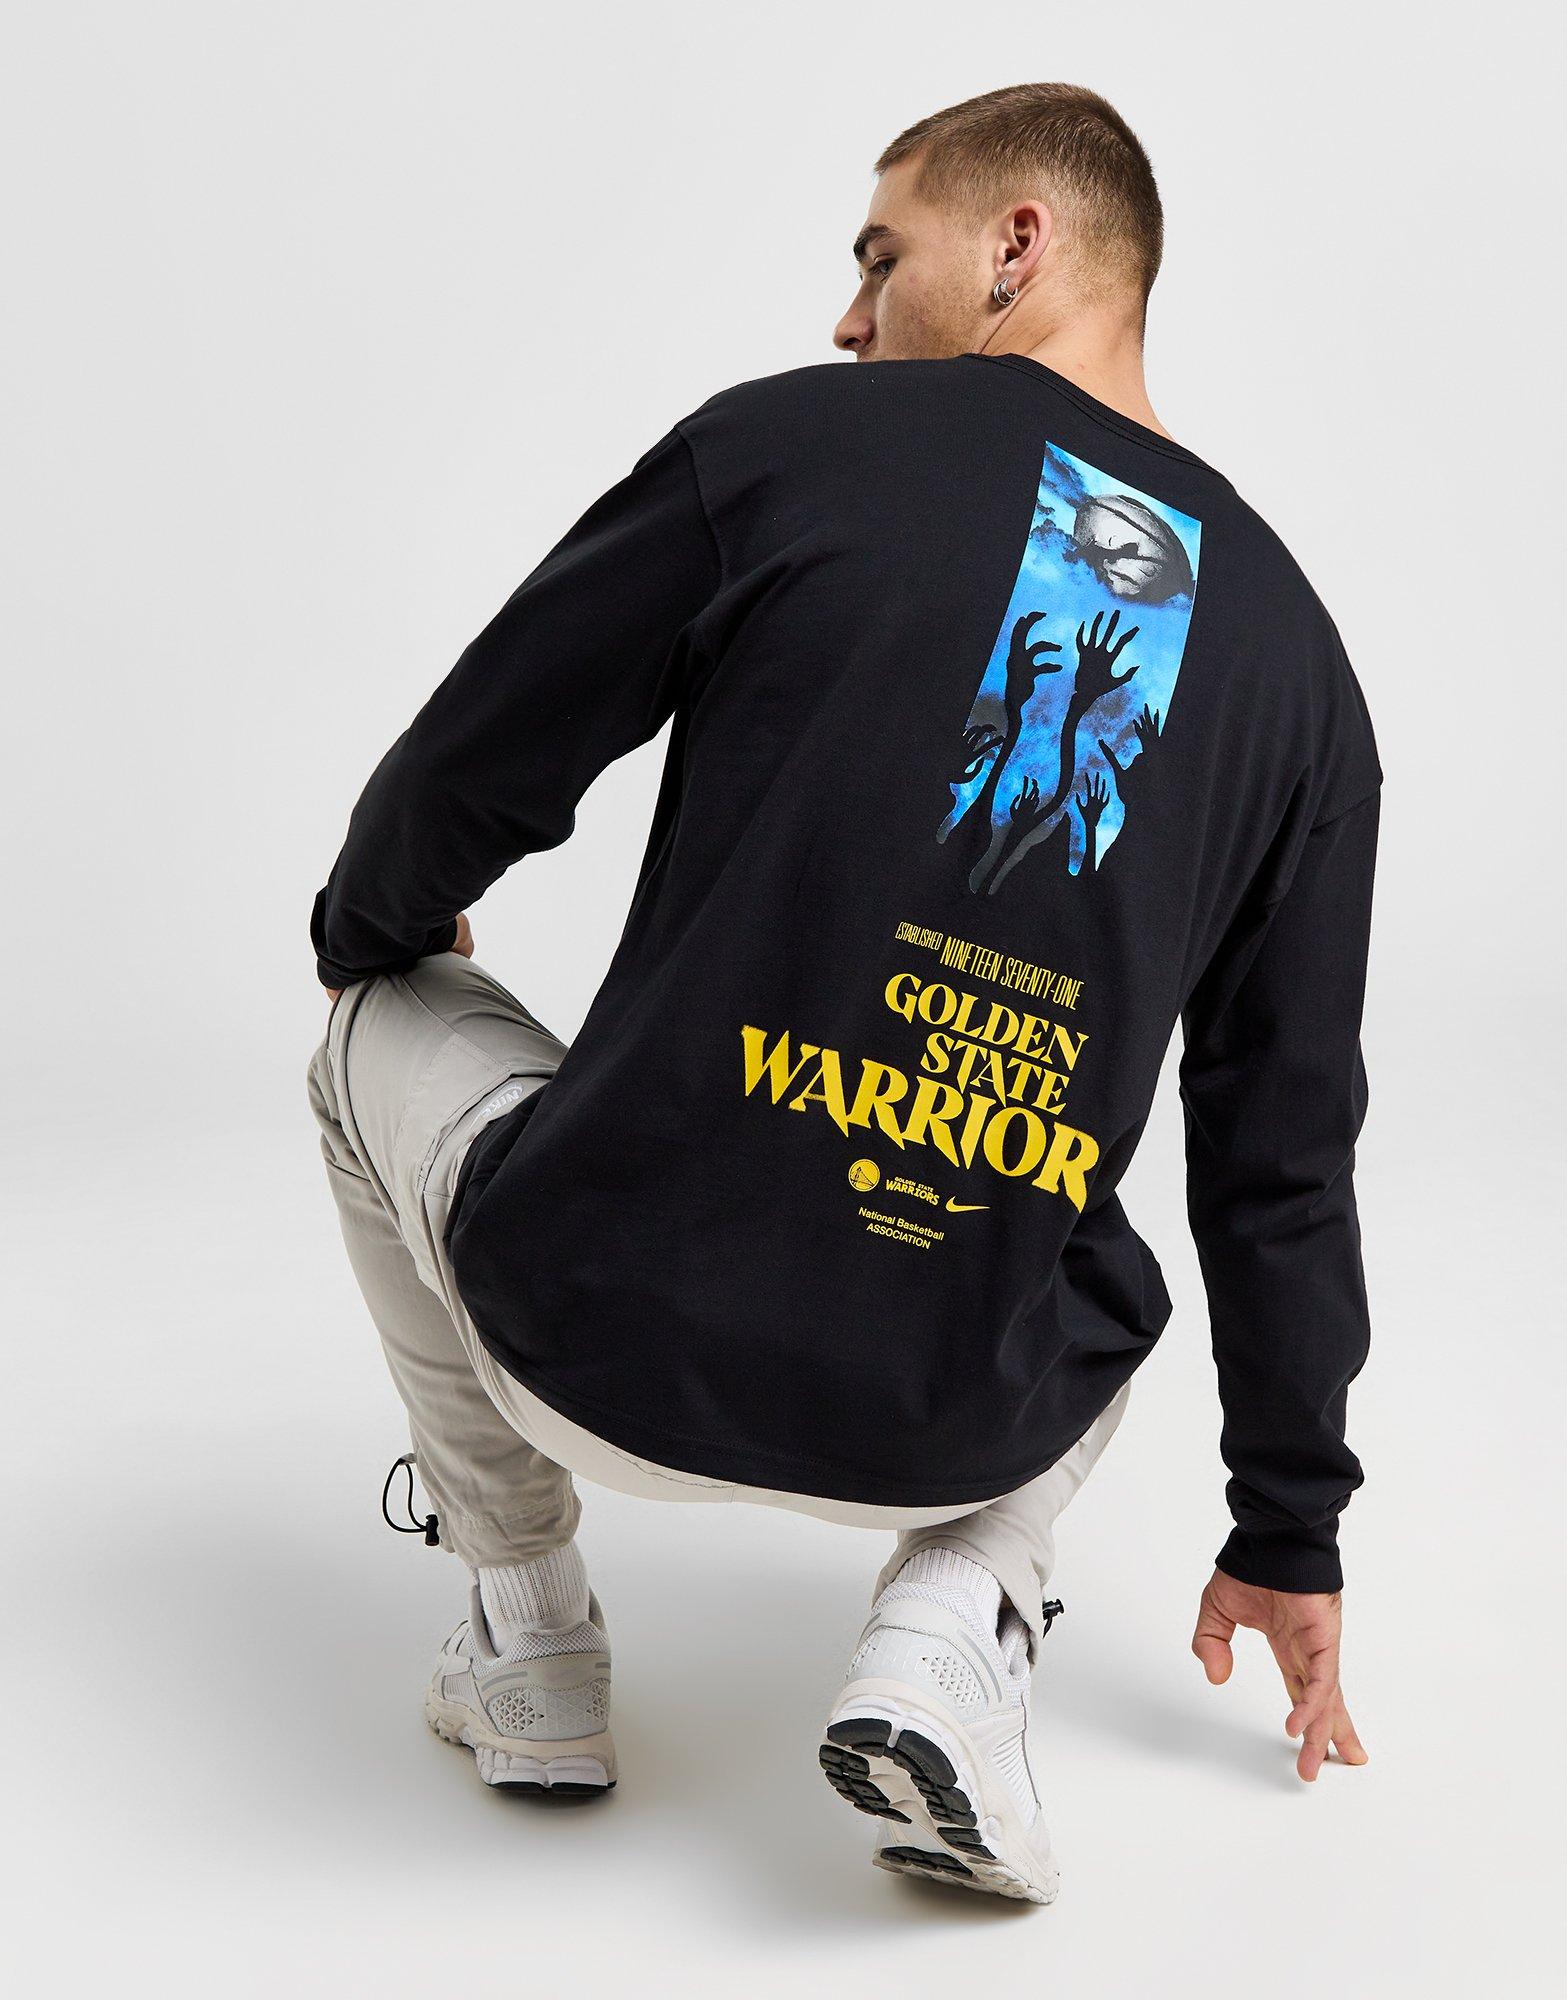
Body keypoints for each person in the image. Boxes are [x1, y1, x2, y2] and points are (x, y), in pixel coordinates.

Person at [308, 81, 1378, 1904]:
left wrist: (376, 925)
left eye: (883, 258)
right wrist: (1290, 1525)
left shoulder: (784, 453)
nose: (849, 316)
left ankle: (529, 1630)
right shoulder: (1301, 668)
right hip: (948, 1417)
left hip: (595, 1345)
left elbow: (468, 768)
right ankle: (956, 1620)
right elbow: (1283, 1157)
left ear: (1018, 245)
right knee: (1101, 1259)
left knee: (362, 1027)